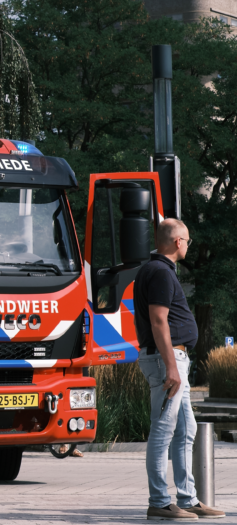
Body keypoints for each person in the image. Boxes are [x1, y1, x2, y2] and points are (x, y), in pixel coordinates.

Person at [134, 219, 223, 520]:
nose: (189, 244)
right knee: (164, 429)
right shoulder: (159, 272)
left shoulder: (155, 270)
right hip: (167, 361)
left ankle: (187, 499)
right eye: (187, 239)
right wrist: (172, 366)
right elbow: (159, 321)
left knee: (187, 429)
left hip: (171, 360)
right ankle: (159, 502)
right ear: (176, 242)